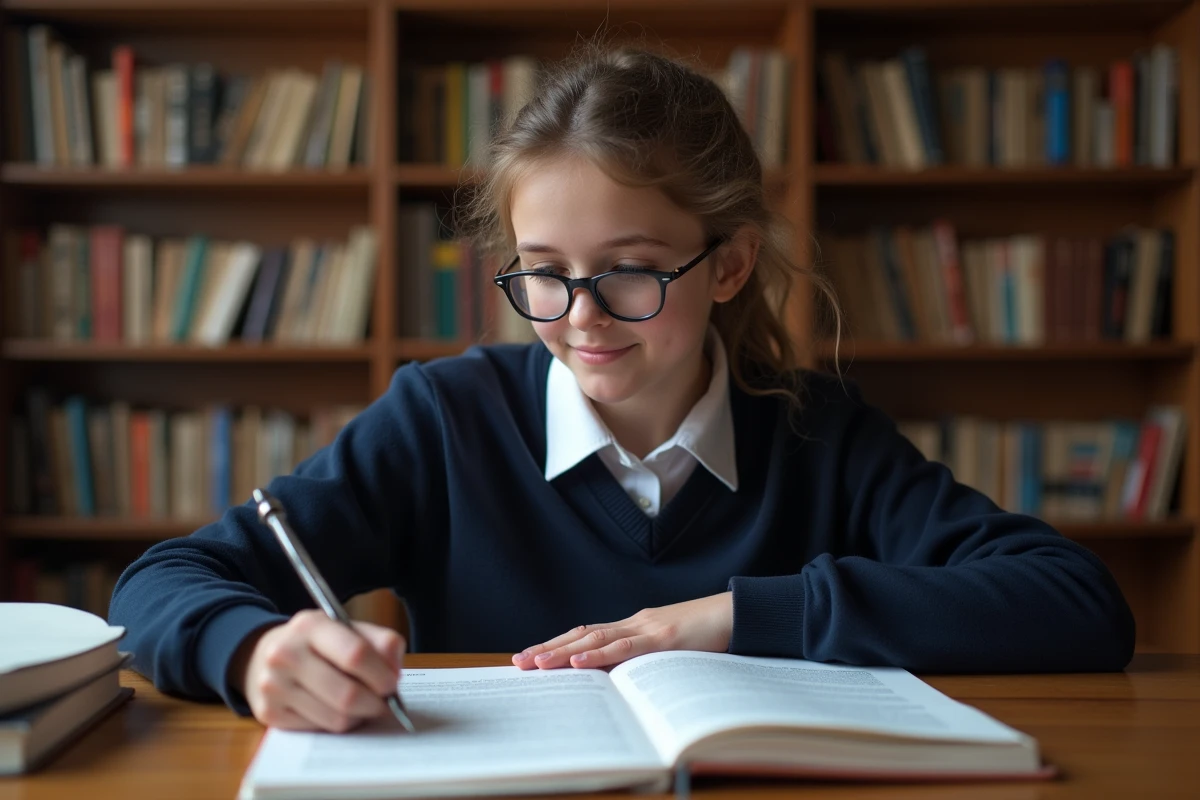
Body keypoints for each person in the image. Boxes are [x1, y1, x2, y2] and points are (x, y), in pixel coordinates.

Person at [109, 42, 1135, 734]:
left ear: (727, 265)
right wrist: (252, 651)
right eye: (543, 270)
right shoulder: (446, 419)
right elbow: (162, 581)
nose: (580, 314)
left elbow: (1075, 604)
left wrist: (734, 615)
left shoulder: (819, 434)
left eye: (631, 269)